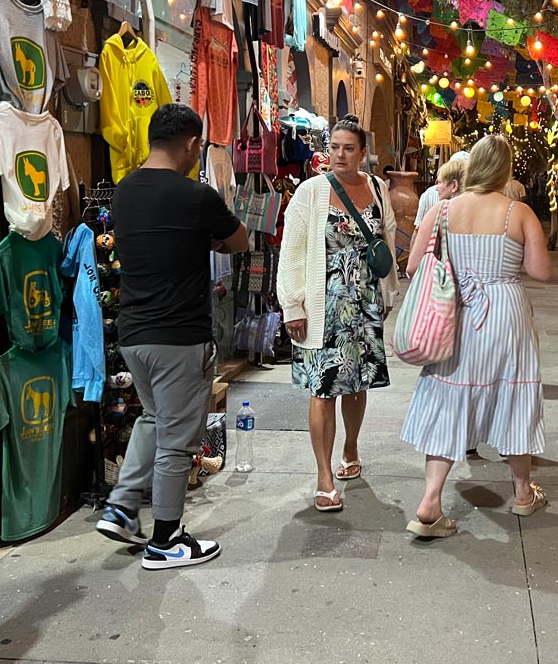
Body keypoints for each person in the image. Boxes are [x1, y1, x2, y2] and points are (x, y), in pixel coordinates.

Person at [96, 104, 250, 570]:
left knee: (153, 420)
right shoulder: (196, 197)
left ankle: (123, 507)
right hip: (178, 337)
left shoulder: (124, 192)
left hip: (133, 335)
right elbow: (240, 239)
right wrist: (210, 239)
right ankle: (166, 539)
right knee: (177, 441)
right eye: (198, 146)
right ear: (189, 144)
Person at [400, 135, 552, 538]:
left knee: (450, 396)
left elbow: (414, 266)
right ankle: (522, 493)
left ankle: (430, 502)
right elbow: (540, 271)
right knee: (513, 395)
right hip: (505, 313)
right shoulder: (518, 213)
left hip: (456, 311)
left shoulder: (443, 210)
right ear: (505, 170)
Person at [278, 115, 399, 513]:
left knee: (357, 383)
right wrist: (292, 306)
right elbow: (292, 252)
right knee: (323, 387)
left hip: (363, 305)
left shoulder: (378, 188)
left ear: (363, 153)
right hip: (322, 306)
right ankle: (323, 476)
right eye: (334, 147)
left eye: (349, 148)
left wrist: (388, 292)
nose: (341, 155)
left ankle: (351, 447)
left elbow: (387, 241)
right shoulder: (310, 193)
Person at [411, 154, 468, 249]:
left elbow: (417, 233)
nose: (437, 188)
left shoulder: (439, 210)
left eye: (440, 182)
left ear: (454, 185)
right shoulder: (477, 210)